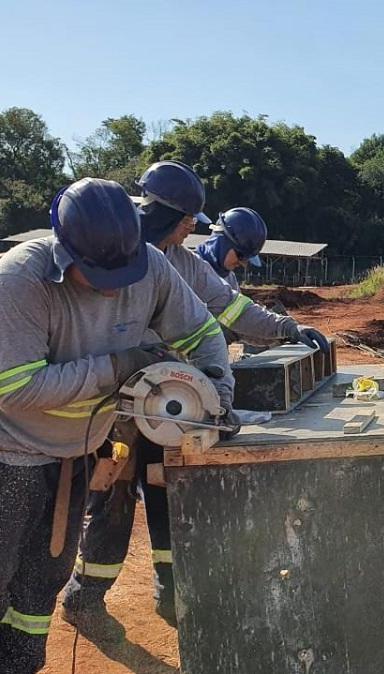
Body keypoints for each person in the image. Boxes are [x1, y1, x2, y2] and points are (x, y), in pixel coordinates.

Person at [63, 162, 328, 633]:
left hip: (175, 401)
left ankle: (170, 585)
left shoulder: (179, 263)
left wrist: (286, 326)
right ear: (163, 213)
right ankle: (87, 596)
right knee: (114, 495)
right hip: (118, 404)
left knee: (169, 488)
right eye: (186, 221)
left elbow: (229, 306)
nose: (191, 230)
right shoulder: (108, 255)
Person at [0, 178, 233, 674]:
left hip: (74, 455)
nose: (112, 286)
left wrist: (216, 394)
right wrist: (118, 365)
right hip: (9, 457)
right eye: (98, 273)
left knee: (45, 579)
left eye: (122, 271)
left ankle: (21, 664)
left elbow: (201, 333)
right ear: (65, 250)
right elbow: (13, 388)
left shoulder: (151, 265)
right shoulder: (19, 281)